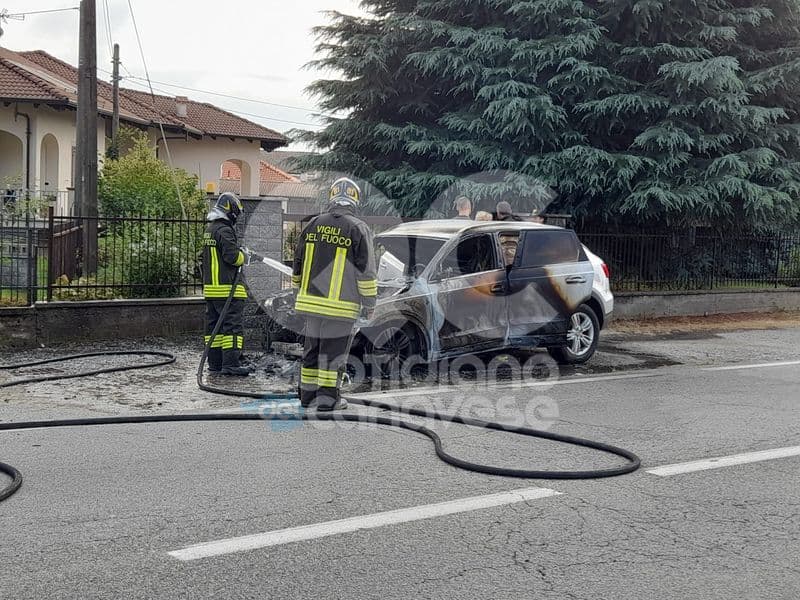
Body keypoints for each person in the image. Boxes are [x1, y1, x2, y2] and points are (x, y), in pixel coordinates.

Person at [292, 177, 378, 411]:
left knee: (312, 350)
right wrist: (370, 303)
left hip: (310, 304)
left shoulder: (312, 225)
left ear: (331, 198)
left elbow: (297, 264)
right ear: (355, 199)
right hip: (341, 306)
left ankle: (307, 397)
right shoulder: (358, 228)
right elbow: (366, 273)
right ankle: (328, 401)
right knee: (332, 353)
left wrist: (298, 287)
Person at [201, 192, 251, 376]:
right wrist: (245, 256)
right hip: (227, 289)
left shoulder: (211, 230)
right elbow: (232, 257)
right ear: (231, 211)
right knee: (231, 328)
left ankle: (215, 364)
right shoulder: (224, 230)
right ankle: (231, 364)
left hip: (212, 290)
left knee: (214, 328)